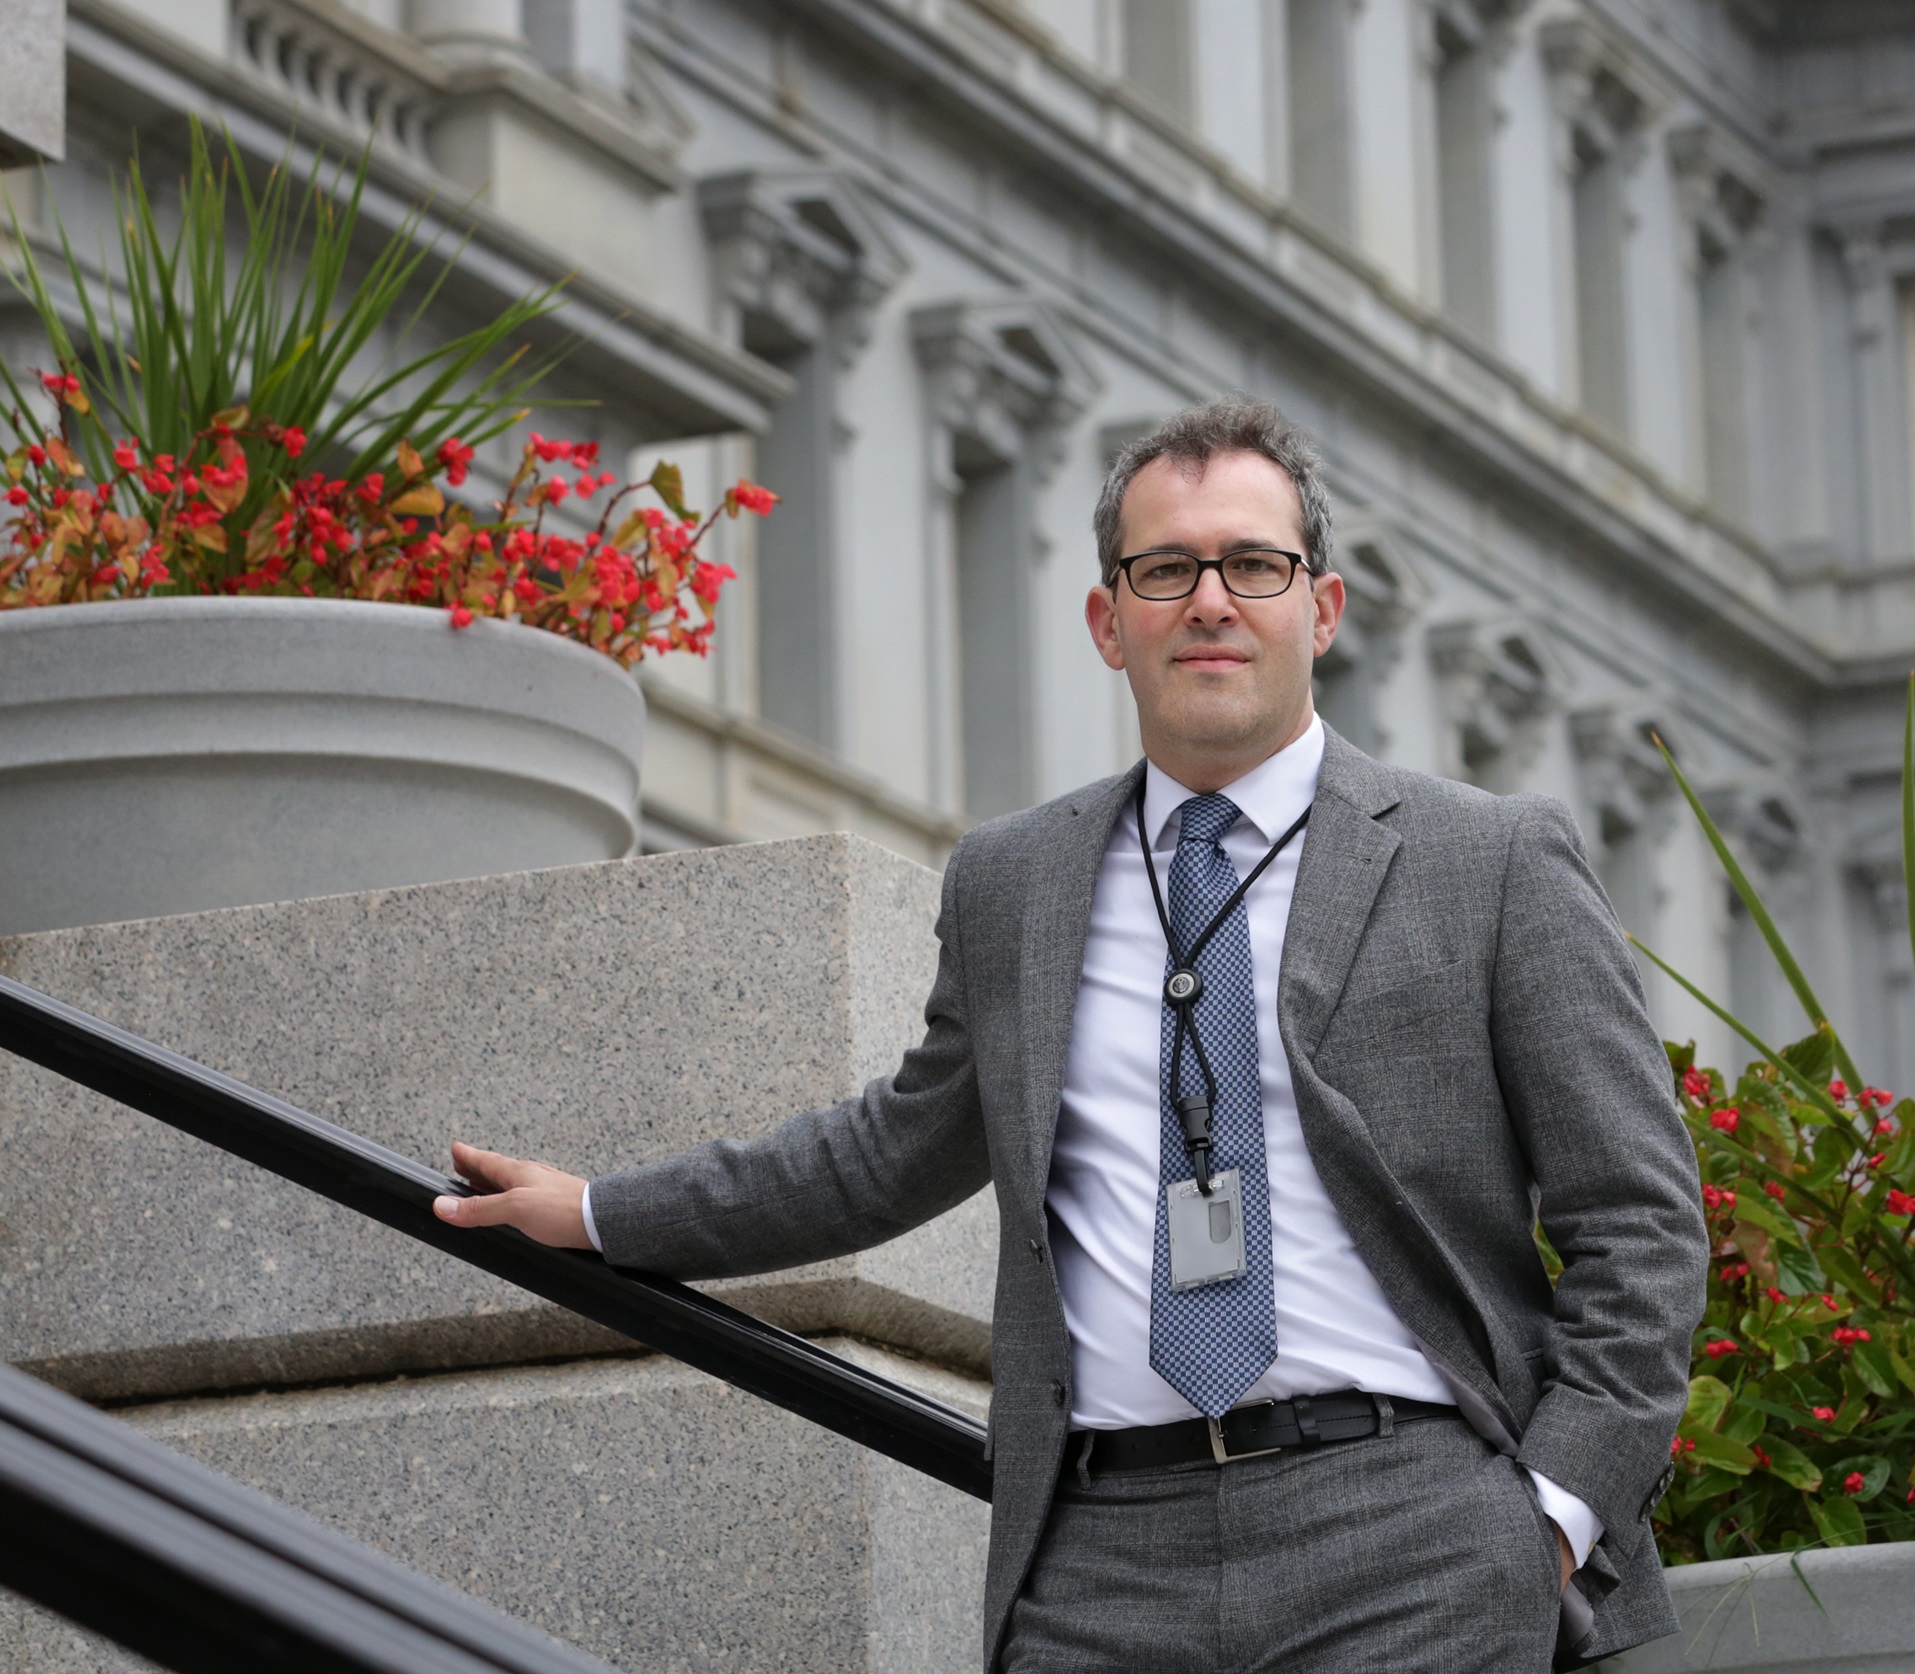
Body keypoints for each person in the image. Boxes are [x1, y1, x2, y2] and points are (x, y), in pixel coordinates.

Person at [435, 396, 1706, 1672]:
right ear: (1109, 621)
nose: (1210, 601)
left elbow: (1637, 1219)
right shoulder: (1013, 881)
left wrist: (1546, 1517)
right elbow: (890, 1150)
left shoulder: (1486, 860)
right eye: (1166, 569)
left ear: (1319, 609)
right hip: (1098, 1560)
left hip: (1409, 1540)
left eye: (1252, 565)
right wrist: (602, 1215)